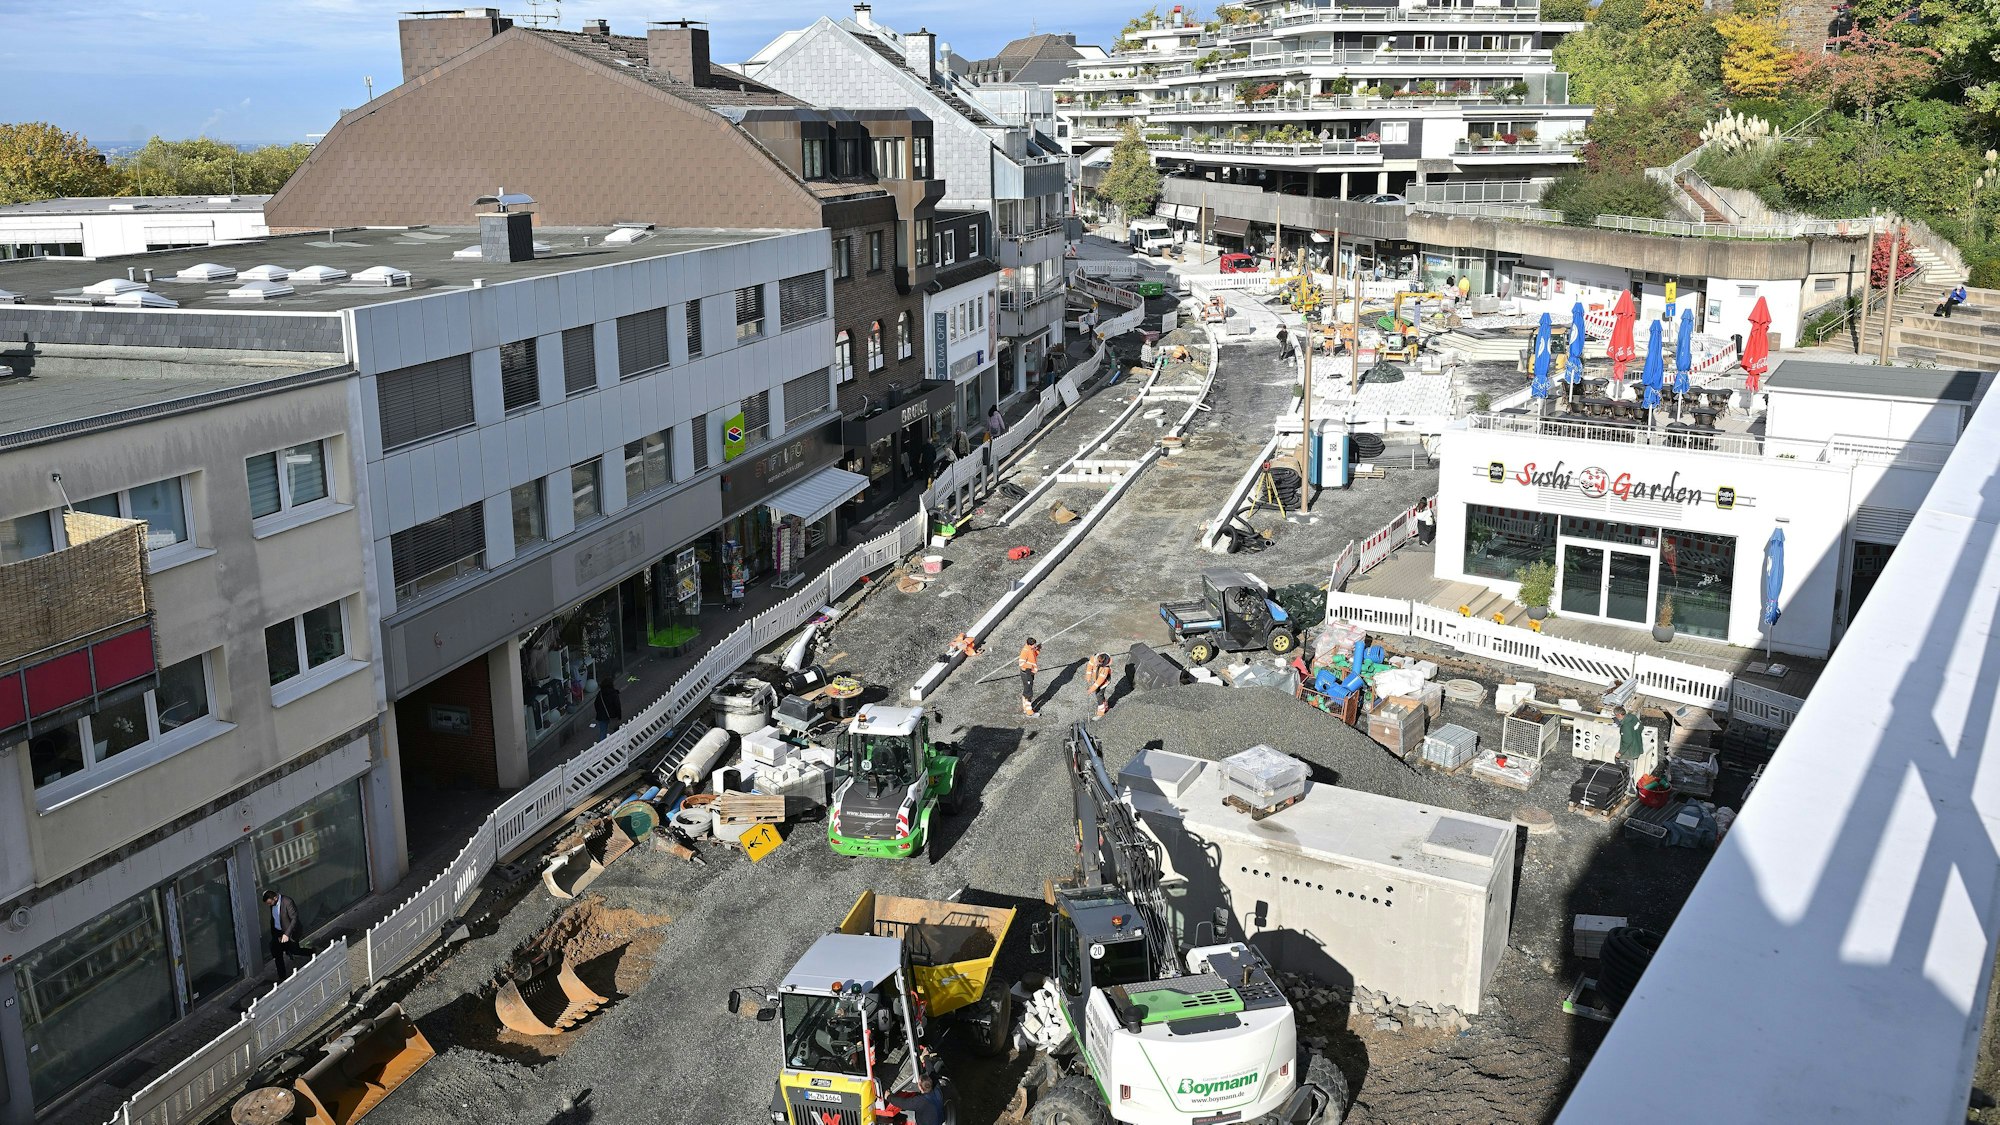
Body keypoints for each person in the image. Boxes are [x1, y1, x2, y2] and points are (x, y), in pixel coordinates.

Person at [264, 889, 303, 977]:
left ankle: (312, 951)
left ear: (275, 898)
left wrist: (287, 934)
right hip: (278, 932)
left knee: (295, 951)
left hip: (288, 931)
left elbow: (294, 919)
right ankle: (282, 977)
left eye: (270, 903)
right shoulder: (272, 904)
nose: (269, 905)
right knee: (277, 953)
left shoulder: (287, 901)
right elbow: (274, 918)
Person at [1085, 652, 1115, 718]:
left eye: (1098, 663)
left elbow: (1099, 682)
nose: (1096, 664)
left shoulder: (1105, 669)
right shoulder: (1094, 657)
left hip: (1104, 683)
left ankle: (1101, 713)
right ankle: (1105, 706)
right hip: (1096, 679)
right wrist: (1088, 676)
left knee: (1099, 695)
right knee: (1098, 694)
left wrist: (1090, 690)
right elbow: (1089, 666)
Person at [1017, 637, 1042, 717]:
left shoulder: (1030, 649)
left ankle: (1025, 708)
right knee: (1029, 692)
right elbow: (1021, 663)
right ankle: (1029, 712)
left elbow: (1033, 656)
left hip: (1029, 673)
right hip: (1026, 674)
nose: (1034, 646)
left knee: (1026, 690)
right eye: (1033, 645)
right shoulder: (1025, 651)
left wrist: (1037, 649)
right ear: (1029, 644)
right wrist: (1031, 666)